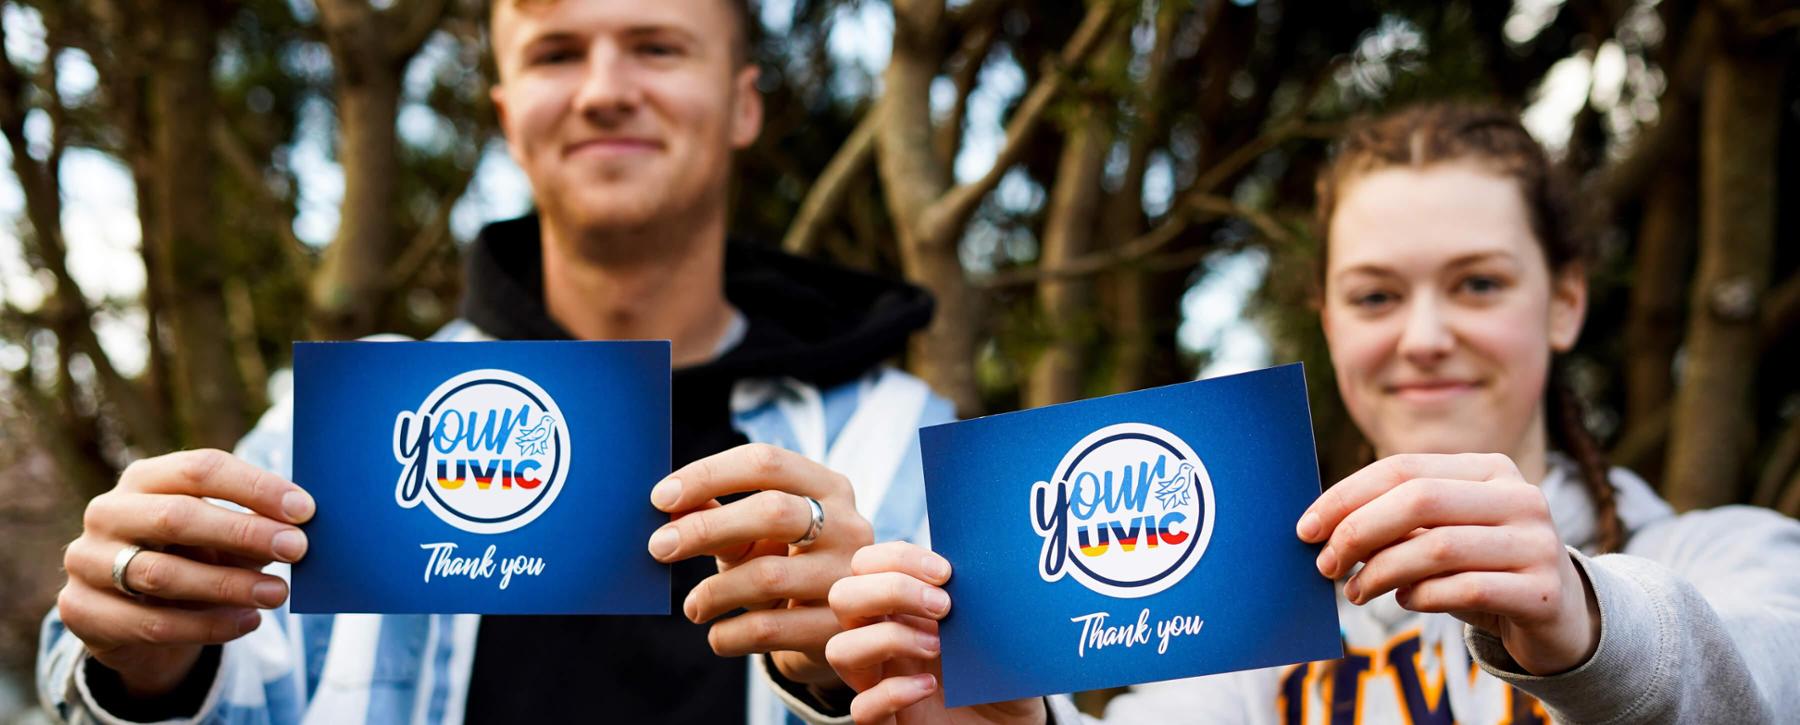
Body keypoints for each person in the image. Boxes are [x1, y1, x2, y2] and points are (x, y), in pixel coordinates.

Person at [36, 0, 952, 723]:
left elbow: (1033, 711)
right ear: (509, 116)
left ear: (746, 103)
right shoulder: (352, 420)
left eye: (657, 47)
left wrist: (860, 683)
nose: (604, 90)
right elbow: (214, 685)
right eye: (556, 53)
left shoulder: (899, 439)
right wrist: (145, 666)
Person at [823, 103, 1800, 724]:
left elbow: (1762, 682)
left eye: (1478, 283)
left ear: (1568, 301)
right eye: (1376, 296)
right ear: (1329, 322)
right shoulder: (1256, 613)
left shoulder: (1730, 558)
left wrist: (1586, 617)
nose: (1423, 336)